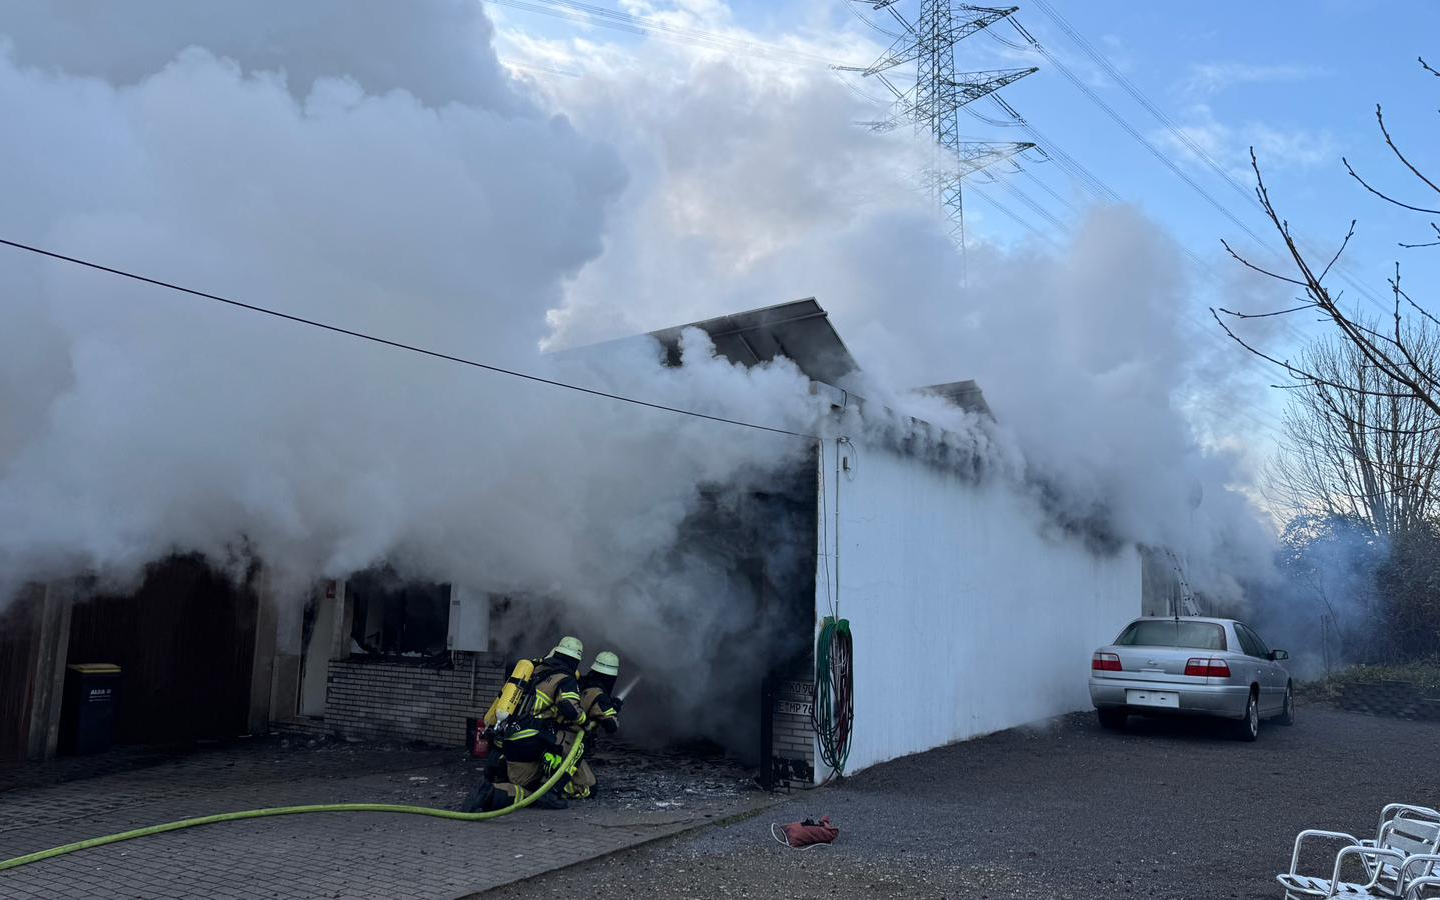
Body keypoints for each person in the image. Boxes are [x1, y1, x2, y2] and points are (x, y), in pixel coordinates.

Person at [461, 636, 587, 812]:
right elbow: (569, 709)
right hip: (532, 738)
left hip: (508, 738)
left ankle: (493, 786)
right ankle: (550, 792)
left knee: (520, 780)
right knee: (575, 745)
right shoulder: (565, 678)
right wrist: (583, 719)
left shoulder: (534, 670)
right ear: (575, 660)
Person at [562, 650, 623, 800]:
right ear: (611, 678)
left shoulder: (579, 683)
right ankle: (552, 789)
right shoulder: (598, 695)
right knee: (589, 788)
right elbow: (611, 726)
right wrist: (613, 709)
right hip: (568, 745)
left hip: (556, 738)